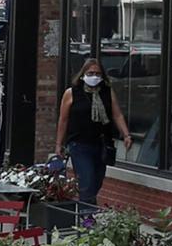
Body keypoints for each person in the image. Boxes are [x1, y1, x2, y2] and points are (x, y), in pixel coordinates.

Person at [54, 59, 130, 206]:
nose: (94, 76)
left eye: (97, 73)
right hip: (79, 144)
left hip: (101, 144)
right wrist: (59, 144)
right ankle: (87, 220)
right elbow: (63, 120)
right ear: (83, 74)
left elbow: (117, 114)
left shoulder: (107, 92)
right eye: (90, 73)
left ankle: (87, 211)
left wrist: (126, 134)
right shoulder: (72, 93)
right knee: (86, 182)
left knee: (96, 181)